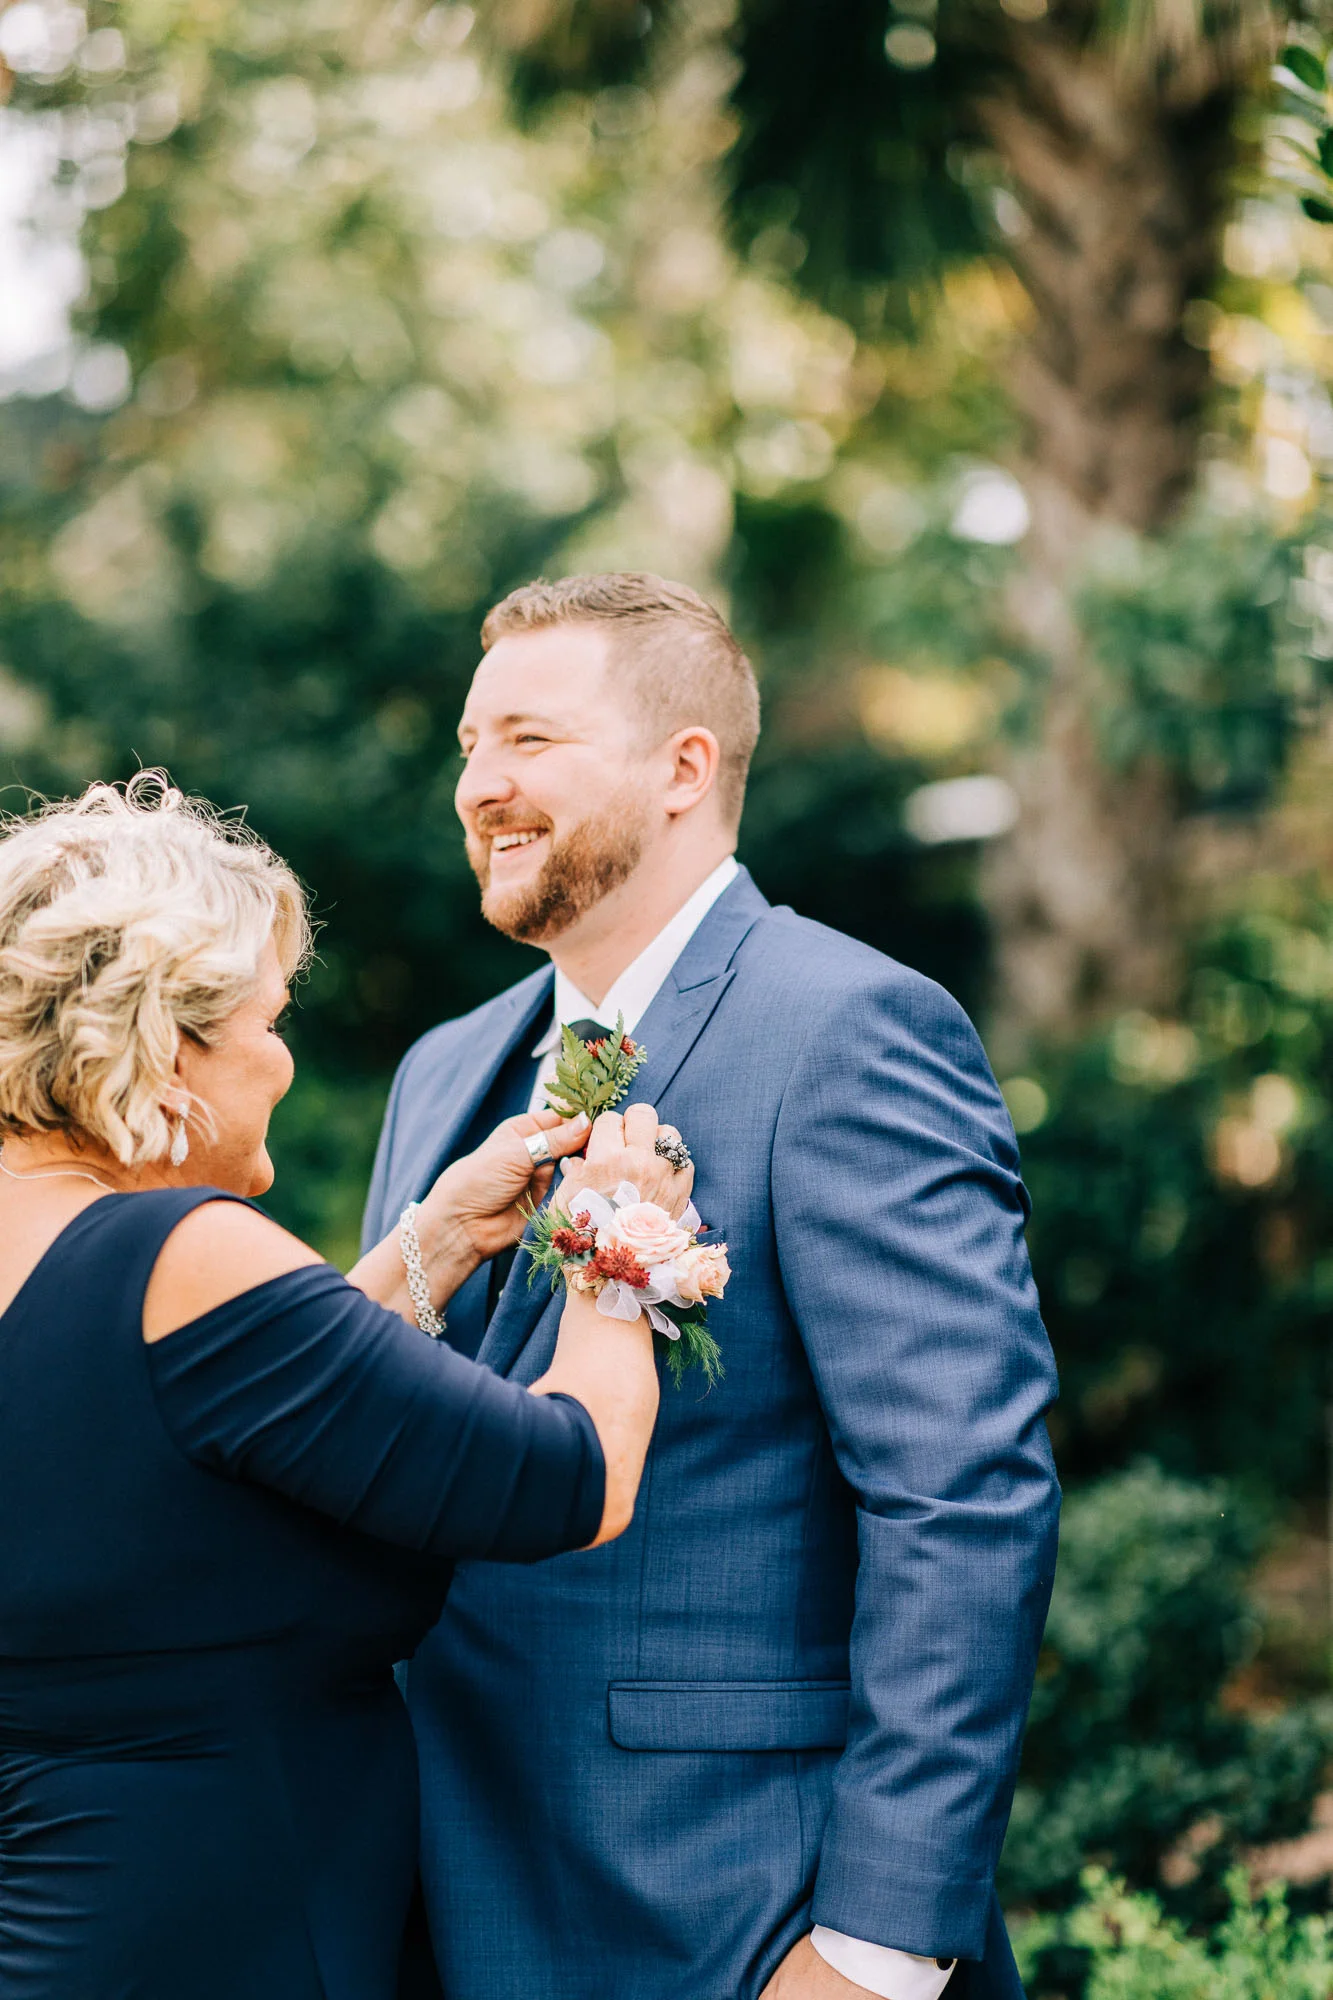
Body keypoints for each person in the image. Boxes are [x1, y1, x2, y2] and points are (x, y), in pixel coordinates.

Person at [363, 573, 1062, 2000]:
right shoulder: (442, 1071)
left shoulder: (850, 1028)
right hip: (435, 1892)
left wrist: (874, 1949)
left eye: (529, 739)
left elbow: (962, 1498)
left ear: (685, 767)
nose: (478, 785)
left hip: (732, 1901)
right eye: (470, 745)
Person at [0, 775, 688, 2000]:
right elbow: (571, 1474)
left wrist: (439, 1235)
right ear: (166, 1045)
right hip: (231, 1936)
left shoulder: (64, 1258)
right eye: (269, 1020)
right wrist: (615, 1241)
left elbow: (220, 1413)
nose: (285, 1059)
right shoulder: (177, 1250)